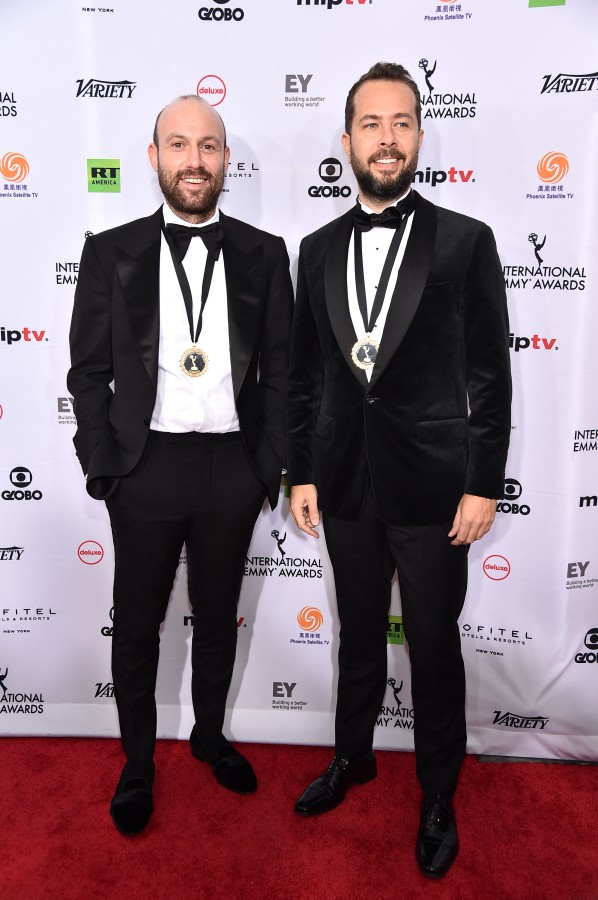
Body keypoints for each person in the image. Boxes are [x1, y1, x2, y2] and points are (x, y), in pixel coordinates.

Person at [286, 62, 511, 878]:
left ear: (419, 135)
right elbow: (307, 376)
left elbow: (489, 375)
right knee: (356, 636)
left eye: (402, 123)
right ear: (347, 140)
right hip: (345, 483)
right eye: (372, 124)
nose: (388, 139)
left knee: (432, 645)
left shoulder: (465, 241)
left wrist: (483, 481)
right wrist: (302, 471)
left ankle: (438, 793)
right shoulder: (315, 249)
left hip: (434, 487)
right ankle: (353, 756)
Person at [68, 95, 293, 836]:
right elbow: (87, 372)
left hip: (233, 466)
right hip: (145, 468)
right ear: (154, 156)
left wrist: (268, 466)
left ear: (225, 160)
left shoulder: (267, 253)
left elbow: (283, 372)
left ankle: (209, 735)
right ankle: (137, 762)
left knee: (218, 618)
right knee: (136, 627)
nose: (194, 160)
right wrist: (103, 463)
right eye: (178, 144)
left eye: (208, 146)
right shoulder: (110, 252)